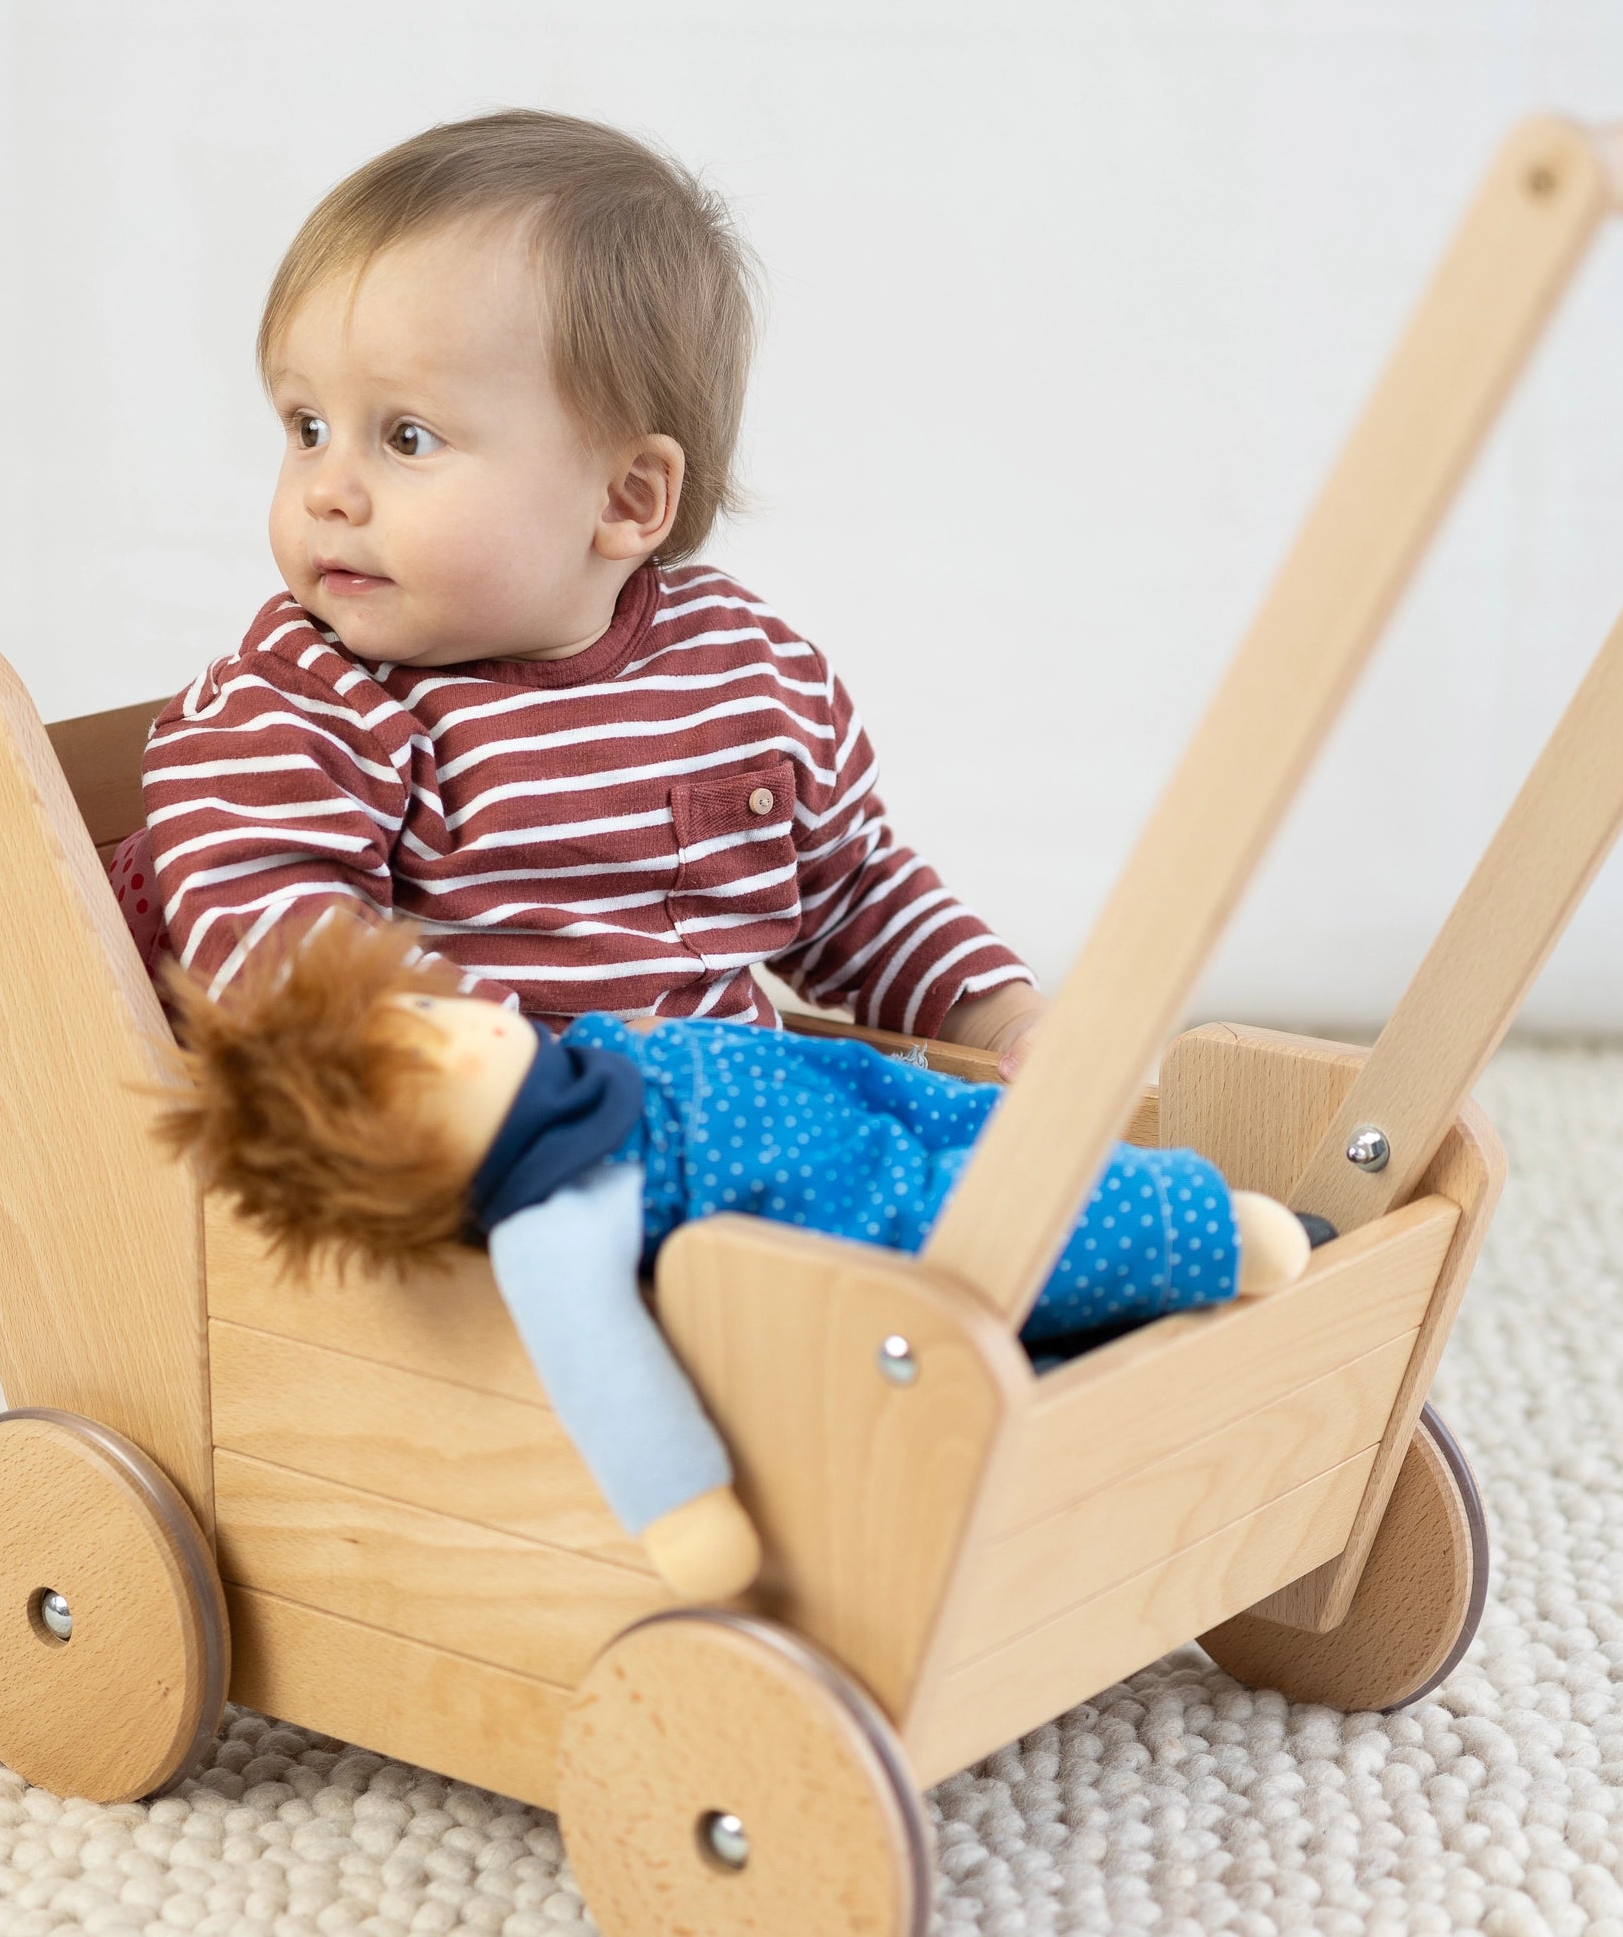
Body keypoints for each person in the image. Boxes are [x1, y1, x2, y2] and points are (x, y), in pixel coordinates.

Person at [123, 109, 1046, 1077]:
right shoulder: (304, 702)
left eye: (404, 438)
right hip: (508, 1168)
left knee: (981, 1159)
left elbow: (853, 893)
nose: (326, 489)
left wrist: (1002, 1022)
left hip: (730, 1129)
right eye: (306, 425)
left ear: (623, 497)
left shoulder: (743, 675)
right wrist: (533, 1087)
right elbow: (279, 946)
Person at [160, 918, 1317, 1605]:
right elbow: (601, 1367)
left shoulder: (585, 1053)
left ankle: (1134, 1303)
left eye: (416, 1013)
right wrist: (682, 1510)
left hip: (872, 1094)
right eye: (421, 1068)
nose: (454, 1024)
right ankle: (1215, 1238)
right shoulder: (550, 1218)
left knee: (1013, 1129)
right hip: (874, 1219)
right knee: (1005, 1222)